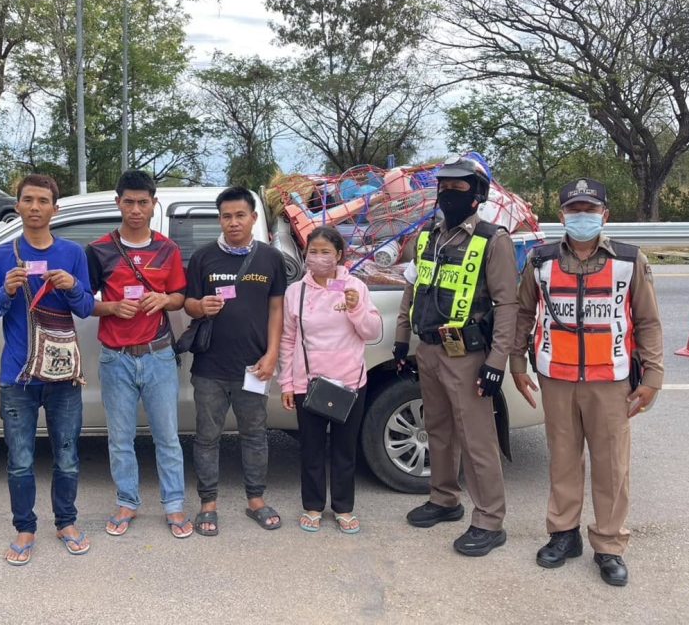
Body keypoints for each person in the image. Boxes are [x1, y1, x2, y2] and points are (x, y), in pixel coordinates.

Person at [510, 178, 663, 587]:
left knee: (612, 466)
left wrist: (653, 376)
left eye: (589, 210)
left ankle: (609, 545)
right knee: (562, 459)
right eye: (574, 210)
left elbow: (648, 321)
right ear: (561, 217)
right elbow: (523, 314)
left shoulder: (630, 261)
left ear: (604, 215)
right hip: (556, 378)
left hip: (610, 381)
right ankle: (564, 534)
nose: (582, 217)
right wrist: (517, 364)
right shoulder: (540, 261)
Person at [393, 155, 518, 557]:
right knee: (438, 429)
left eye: (458, 187)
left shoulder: (493, 240)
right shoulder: (428, 237)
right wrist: (402, 340)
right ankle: (444, 498)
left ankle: (489, 521)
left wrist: (496, 363)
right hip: (429, 348)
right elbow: (413, 289)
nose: (448, 193)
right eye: (444, 186)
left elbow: (507, 306)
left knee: (476, 438)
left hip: (467, 354)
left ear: (477, 195)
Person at [0, 174, 96, 563]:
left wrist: (72, 285)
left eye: (43, 201)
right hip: (17, 376)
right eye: (28, 200)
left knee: (67, 455)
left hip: (63, 375)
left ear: (55, 209)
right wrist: (5, 291)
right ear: (18, 206)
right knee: (21, 460)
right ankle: (25, 529)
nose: (35, 207)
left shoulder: (73, 253)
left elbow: (86, 308)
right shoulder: (1, 257)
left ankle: (66, 523)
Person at [86, 170, 193, 539]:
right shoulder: (99, 250)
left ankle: (174, 504)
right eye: (129, 202)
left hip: (158, 355)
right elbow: (84, 302)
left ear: (153, 204)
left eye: (142, 202)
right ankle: (126, 502)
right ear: (118, 203)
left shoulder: (168, 249)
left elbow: (179, 296)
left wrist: (164, 299)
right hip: (115, 357)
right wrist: (112, 308)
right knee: (120, 439)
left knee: (168, 437)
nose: (135, 209)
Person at [184, 186, 287, 535]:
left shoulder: (270, 259)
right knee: (207, 437)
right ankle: (207, 504)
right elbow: (188, 304)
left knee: (255, 435)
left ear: (253, 218)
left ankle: (256, 499)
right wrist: (200, 306)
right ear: (219, 220)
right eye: (226, 216)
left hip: (253, 367)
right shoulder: (203, 257)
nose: (233, 222)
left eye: (240, 215)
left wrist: (272, 355)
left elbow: (277, 308)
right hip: (210, 367)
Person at [279, 226, 382, 534]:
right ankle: (312, 506)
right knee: (310, 449)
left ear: (338, 255)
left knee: (344, 449)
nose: (318, 257)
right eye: (313, 251)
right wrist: (287, 384)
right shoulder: (296, 292)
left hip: (350, 383)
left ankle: (343, 507)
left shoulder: (354, 287)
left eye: (326, 252)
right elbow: (288, 339)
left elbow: (372, 332)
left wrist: (356, 308)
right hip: (308, 383)